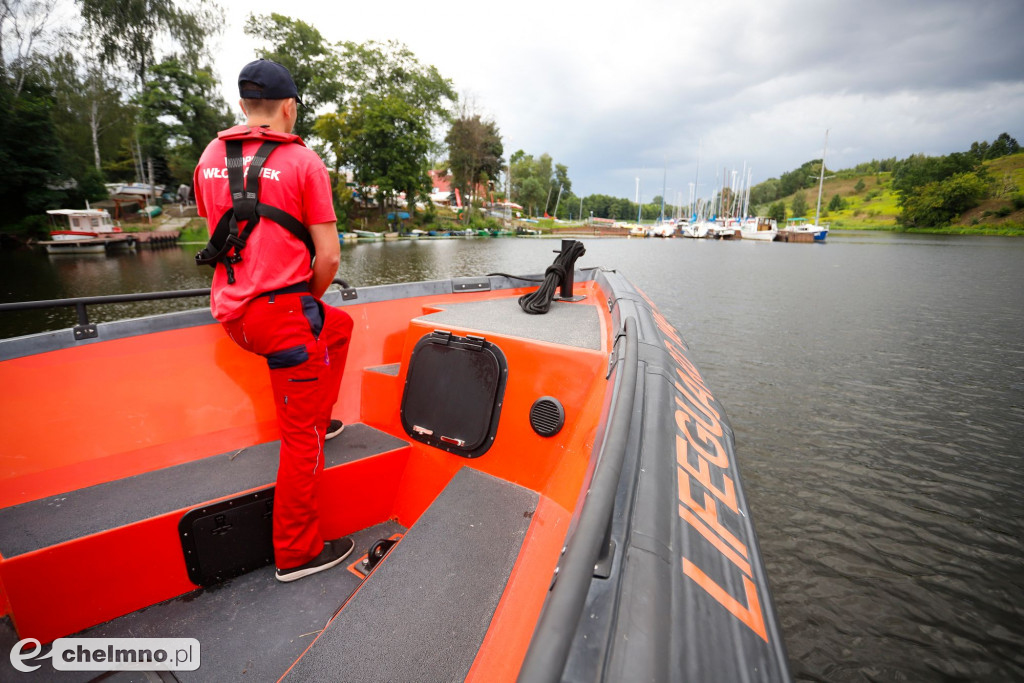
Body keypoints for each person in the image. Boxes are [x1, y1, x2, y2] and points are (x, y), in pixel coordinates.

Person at [193, 59, 354, 583]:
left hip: (234, 316)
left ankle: (319, 414)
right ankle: (297, 552)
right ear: (290, 107)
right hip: (280, 320)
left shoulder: (210, 156)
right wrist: (300, 299)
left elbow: (220, 227)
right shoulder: (304, 162)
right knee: (299, 440)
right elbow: (327, 257)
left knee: (337, 328)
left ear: (243, 106)